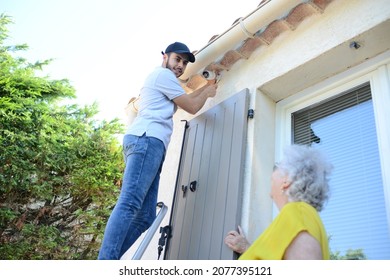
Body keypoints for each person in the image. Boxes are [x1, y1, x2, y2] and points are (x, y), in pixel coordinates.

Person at [98, 42, 218, 260]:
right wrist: (208, 90)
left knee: (145, 217)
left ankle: (111, 259)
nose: (180, 65)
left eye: (183, 62)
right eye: (177, 59)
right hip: (146, 139)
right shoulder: (162, 76)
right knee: (130, 202)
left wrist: (205, 90)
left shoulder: (167, 82)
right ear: (165, 57)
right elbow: (191, 106)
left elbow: (189, 101)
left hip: (150, 144)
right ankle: (106, 263)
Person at [224, 144, 333, 260]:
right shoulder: (300, 218)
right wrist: (247, 248)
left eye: (278, 167)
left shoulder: (297, 213)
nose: (273, 172)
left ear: (287, 179)